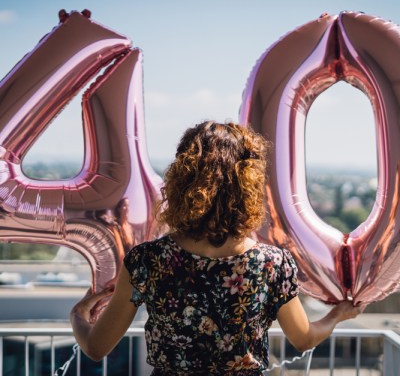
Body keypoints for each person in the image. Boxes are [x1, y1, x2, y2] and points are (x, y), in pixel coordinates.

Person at [70, 121, 365, 375]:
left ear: (181, 182)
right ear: (249, 187)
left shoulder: (148, 260)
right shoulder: (272, 264)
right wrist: (337, 315)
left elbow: (96, 347)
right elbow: (302, 339)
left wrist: (78, 316)